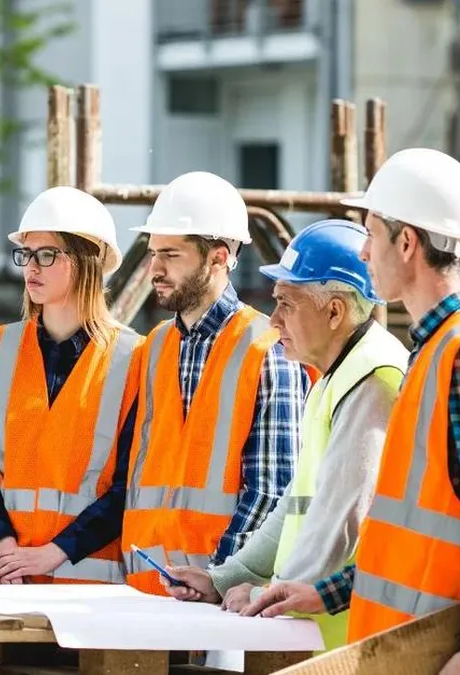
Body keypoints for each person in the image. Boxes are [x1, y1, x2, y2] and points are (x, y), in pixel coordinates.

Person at [242, 149, 460, 675]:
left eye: (370, 234)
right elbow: (403, 537)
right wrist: (326, 591)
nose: (363, 253)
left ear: (406, 242)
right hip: (411, 650)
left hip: (448, 657)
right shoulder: (434, 354)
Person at [162, 219, 407, 653]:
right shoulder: (335, 377)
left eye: (287, 305)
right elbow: (295, 509)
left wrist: (267, 595)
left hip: (354, 643)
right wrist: (226, 580)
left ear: (334, 311)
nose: (273, 321)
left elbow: (338, 523)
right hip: (324, 634)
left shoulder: (373, 379)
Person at [121, 171, 312, 595]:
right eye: (153, 253)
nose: (155, 269)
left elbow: (271, 489)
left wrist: (219, 577)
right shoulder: (154, 347)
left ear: (218, 258)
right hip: (144, 587)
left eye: (171, 254)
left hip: (222, 598)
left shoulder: (268, 349)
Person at [0, 186, 141, 585]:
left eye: (47, 254)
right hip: (1, 583)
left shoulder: (134, 359)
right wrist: (2, 544)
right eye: (26, 254)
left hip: (87, 594)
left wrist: (53, 554)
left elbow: (129, 487)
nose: (31, 268)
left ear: (87, 260)